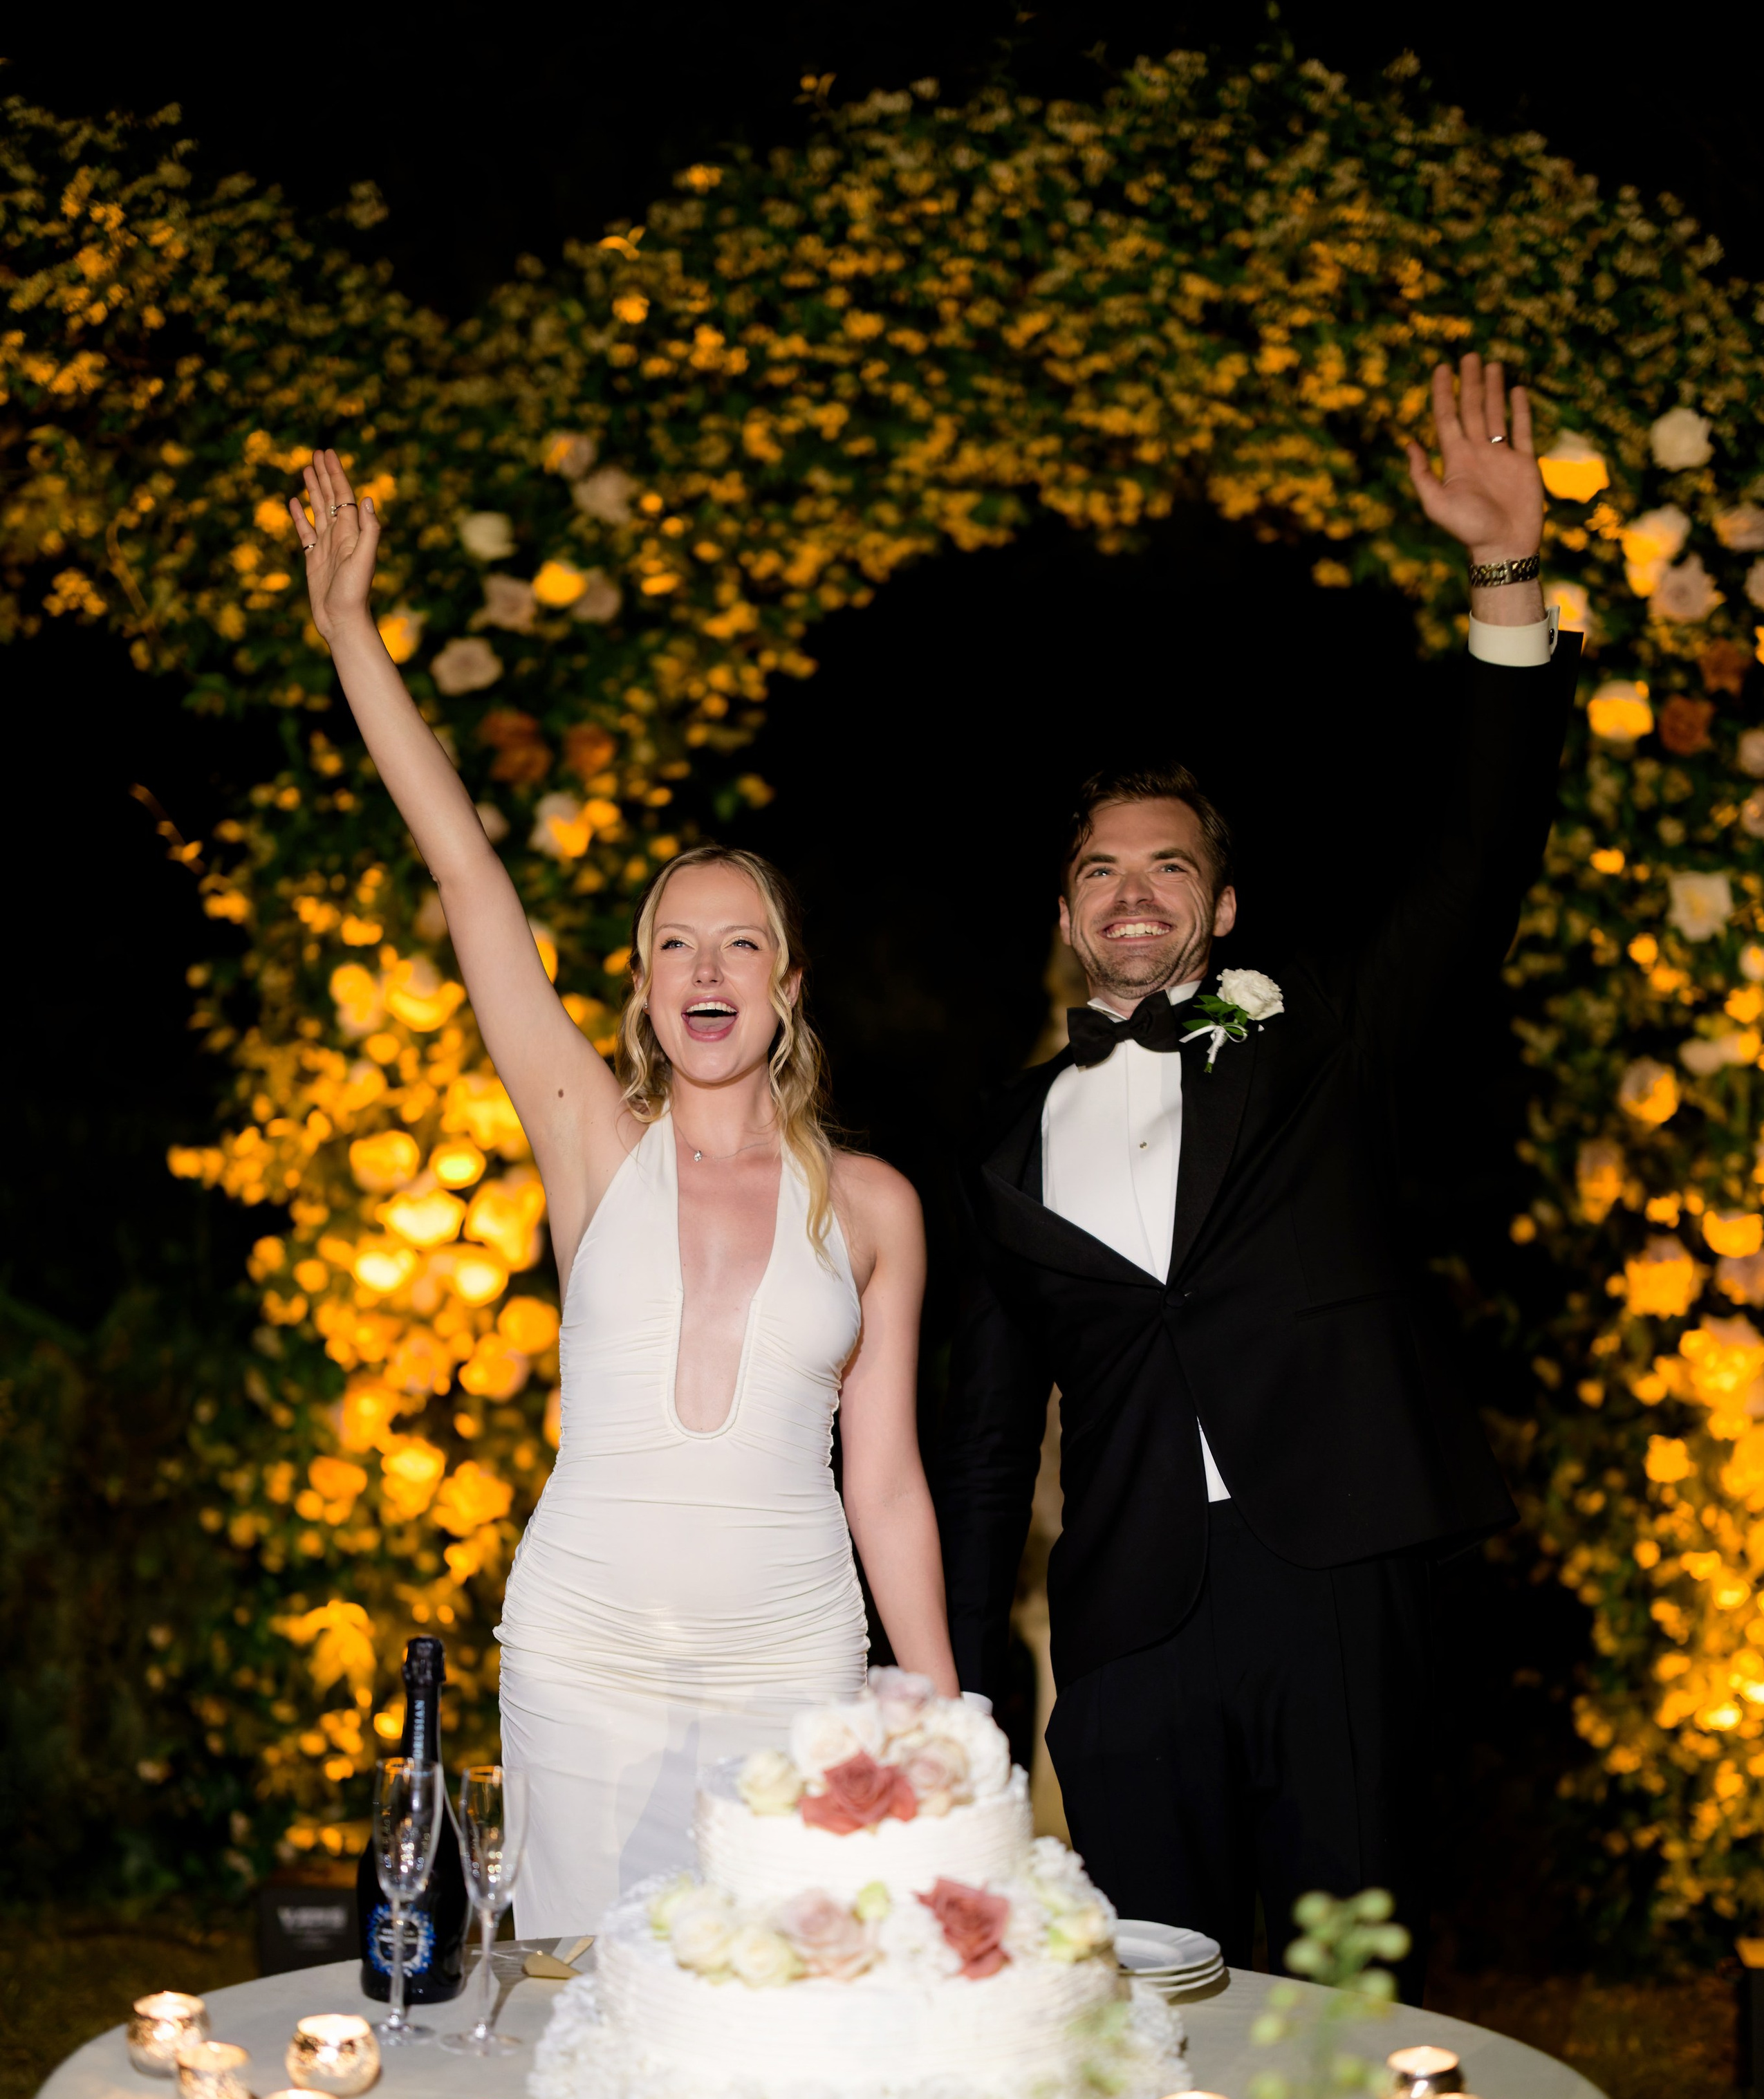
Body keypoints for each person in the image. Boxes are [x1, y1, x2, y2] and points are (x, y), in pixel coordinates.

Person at [936, 355, 1579, 1985]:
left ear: (1221, 909)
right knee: (1155, 1996)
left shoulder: (1322, 1045)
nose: (1131, 893)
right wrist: (951, 1688)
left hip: (1336, 1574)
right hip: (1129, 1620)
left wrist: (1505, 575)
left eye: (1169, 866)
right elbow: (993, 1434)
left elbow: (1479, 846)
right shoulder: (1002, 1150)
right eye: (1100, 871)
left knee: (1345, 2001)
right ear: (1068, 912)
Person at [290, 449, 958, 1939]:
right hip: (584, 1656)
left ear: (784, 987)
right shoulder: (591, 1138)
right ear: (642, 990)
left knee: (782, 2023)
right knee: (573, 2022)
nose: (705, 972)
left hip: (792, 1658)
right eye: (674, 946)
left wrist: (938, 1718)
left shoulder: (871, 1208)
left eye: (738, 948)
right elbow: (468, 875)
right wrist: (351, 634)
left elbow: (888, 1484)